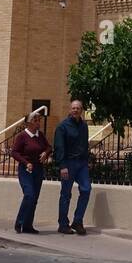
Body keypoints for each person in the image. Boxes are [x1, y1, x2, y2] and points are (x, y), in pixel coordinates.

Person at [9, 110, 51, 234]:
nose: (38, 123)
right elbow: (14, 152)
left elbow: (49, 147)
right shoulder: (22, 136)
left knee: (34, 198)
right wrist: (26, 162)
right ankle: (19, 222)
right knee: (29, 195)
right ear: (28, 123)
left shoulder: (40, 135)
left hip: (38, 169)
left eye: (39, 120)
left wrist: (45, 153)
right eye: (35, 120)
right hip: (26, 169)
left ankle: (28, 226)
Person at [53, 99, 91, 235]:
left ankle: (78, 221)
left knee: (86, 189)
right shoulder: (62, 127)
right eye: (73, 108)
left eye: (78, 108)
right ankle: (63, 224)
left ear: (81, 110)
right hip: (68, 164)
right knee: (66, 194)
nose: (75, 110)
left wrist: (87, 160)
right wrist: (62, 165)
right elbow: (59, 147)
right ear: (70, 110)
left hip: (81, 164)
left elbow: (85, 144)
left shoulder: (84, 126)